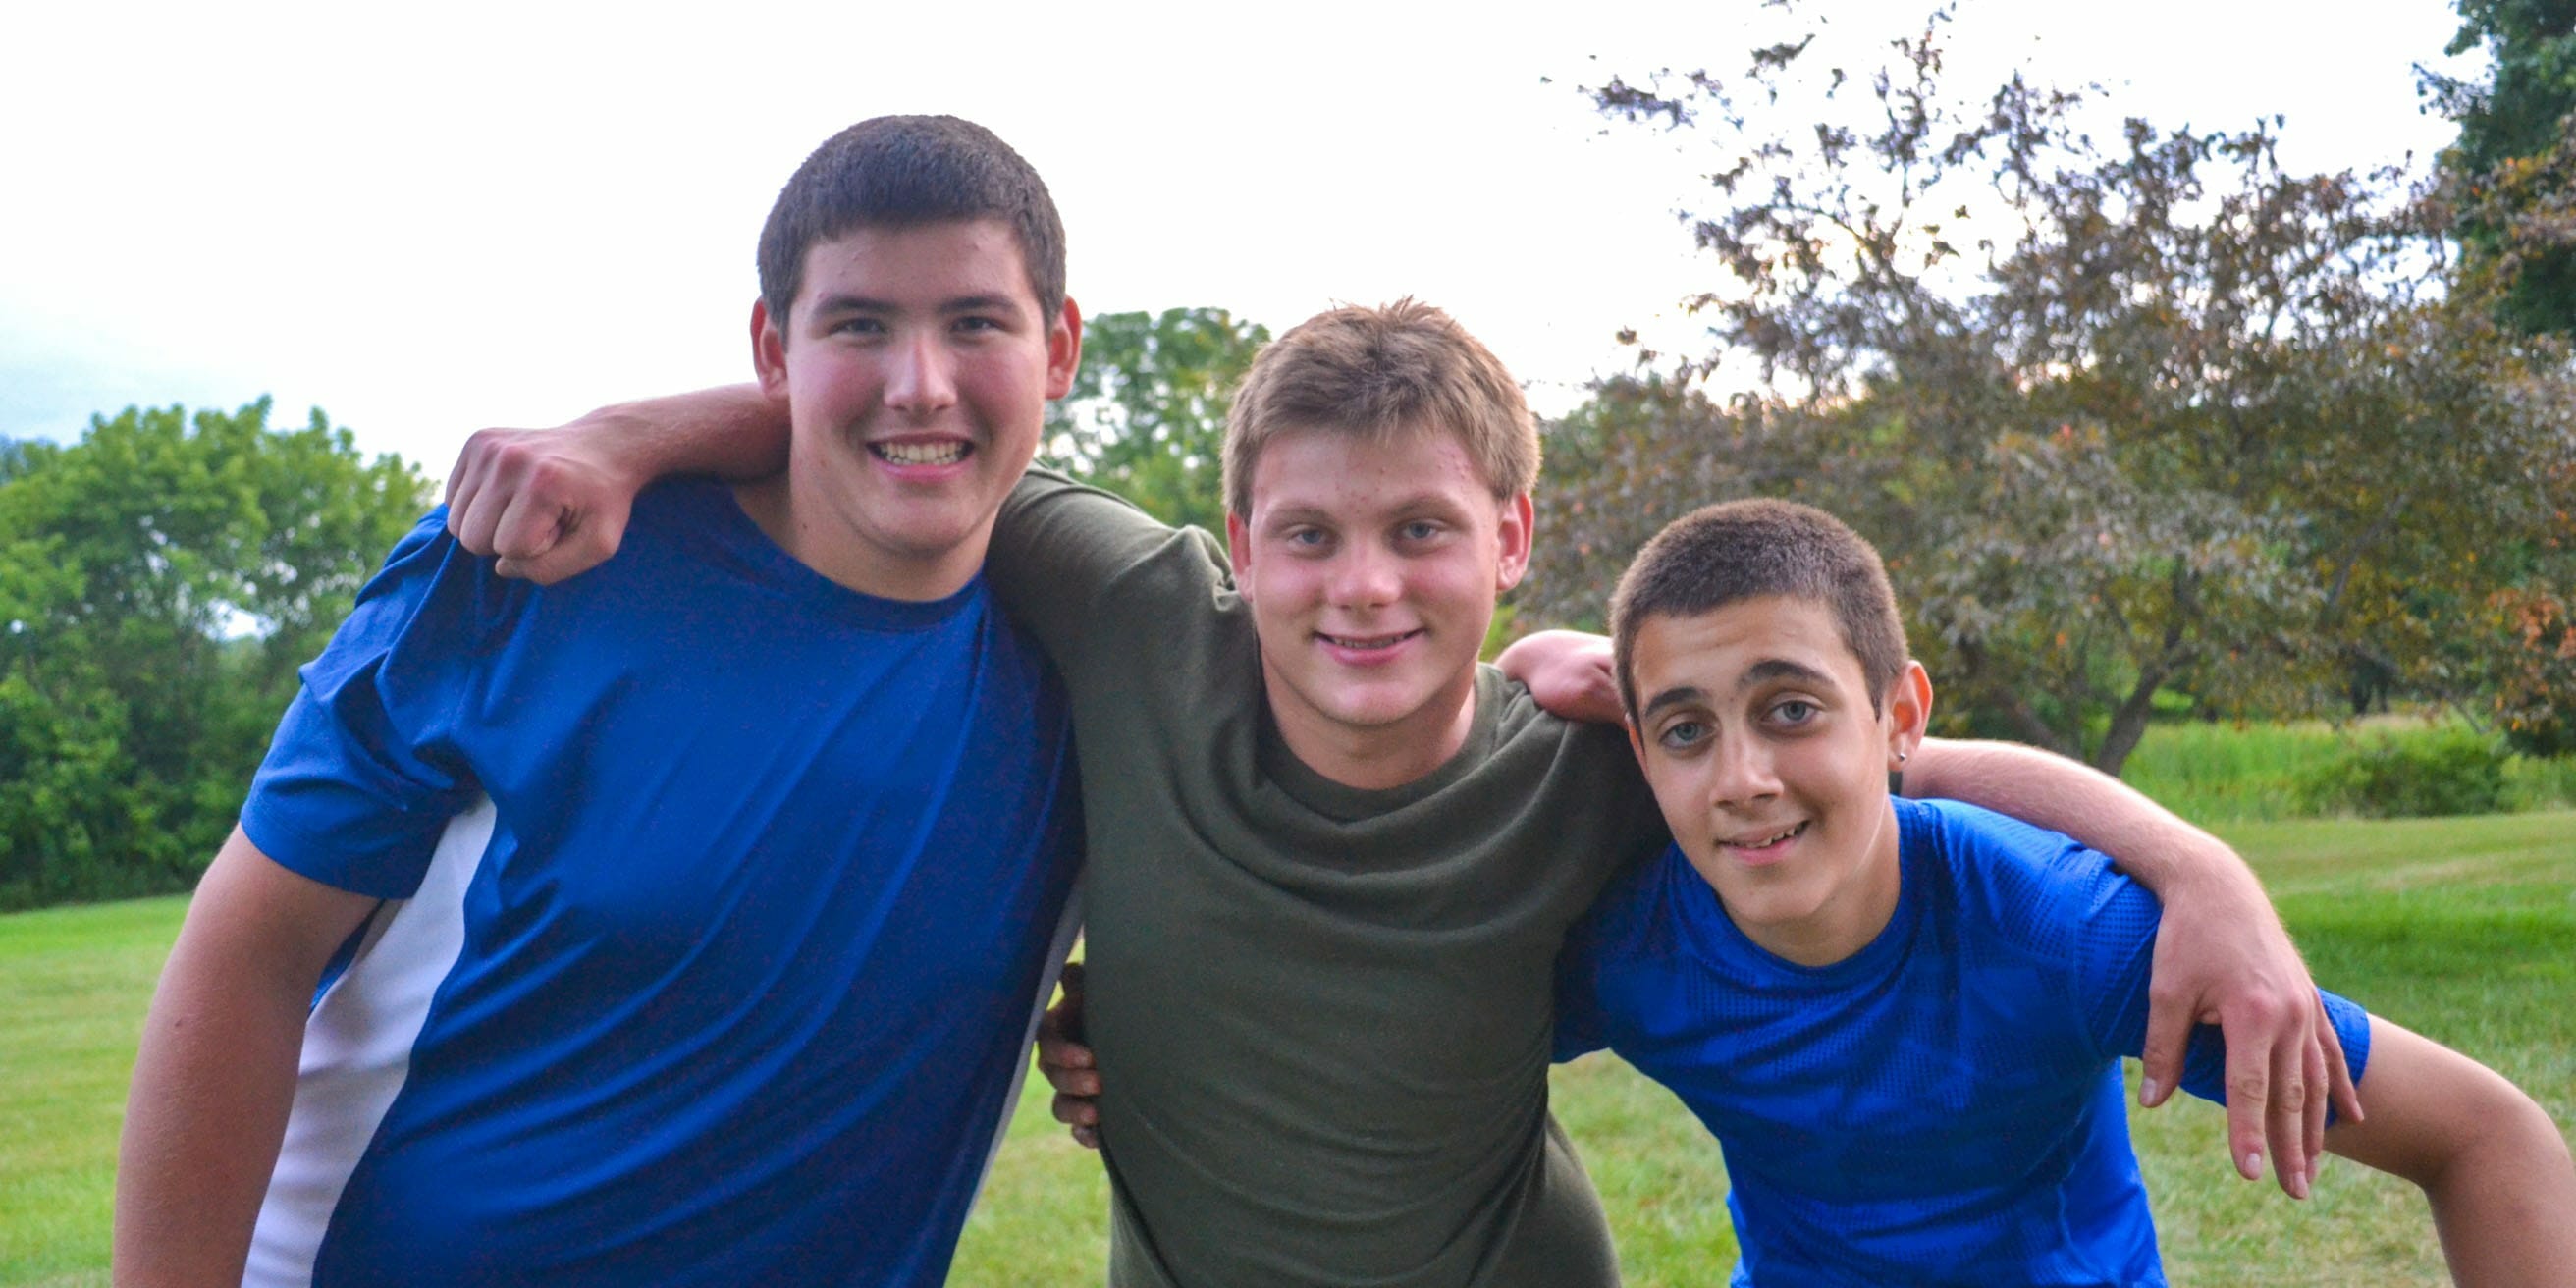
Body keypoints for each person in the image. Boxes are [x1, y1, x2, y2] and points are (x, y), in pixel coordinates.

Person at [442, 301, 2348, 1286]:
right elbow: (890, 448)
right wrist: (621, 434)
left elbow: (1883, 763)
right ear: (1233, 541)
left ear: (1512, 535)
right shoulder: (1123, 609)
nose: (1365, 583)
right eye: (1312, 533)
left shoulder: (1606, 770)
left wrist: (2194, 862)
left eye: (1424, 529)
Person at [113, 115, 1088, 1287]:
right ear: (772, 352)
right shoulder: (530, 562)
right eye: (859, 324)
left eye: (974, 322)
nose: (918, 383)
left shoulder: (1096, 664)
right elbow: (248, 955)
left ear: (1061, 347)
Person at [1550, 497, 2576, 1285]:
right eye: (1685, 729)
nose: (1741, 779)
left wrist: (2198, 866)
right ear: (1638, 750)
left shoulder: (2053, 925)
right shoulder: (1630, 951)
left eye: (1790, 709)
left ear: (1898, 715)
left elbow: (2484, 1138)